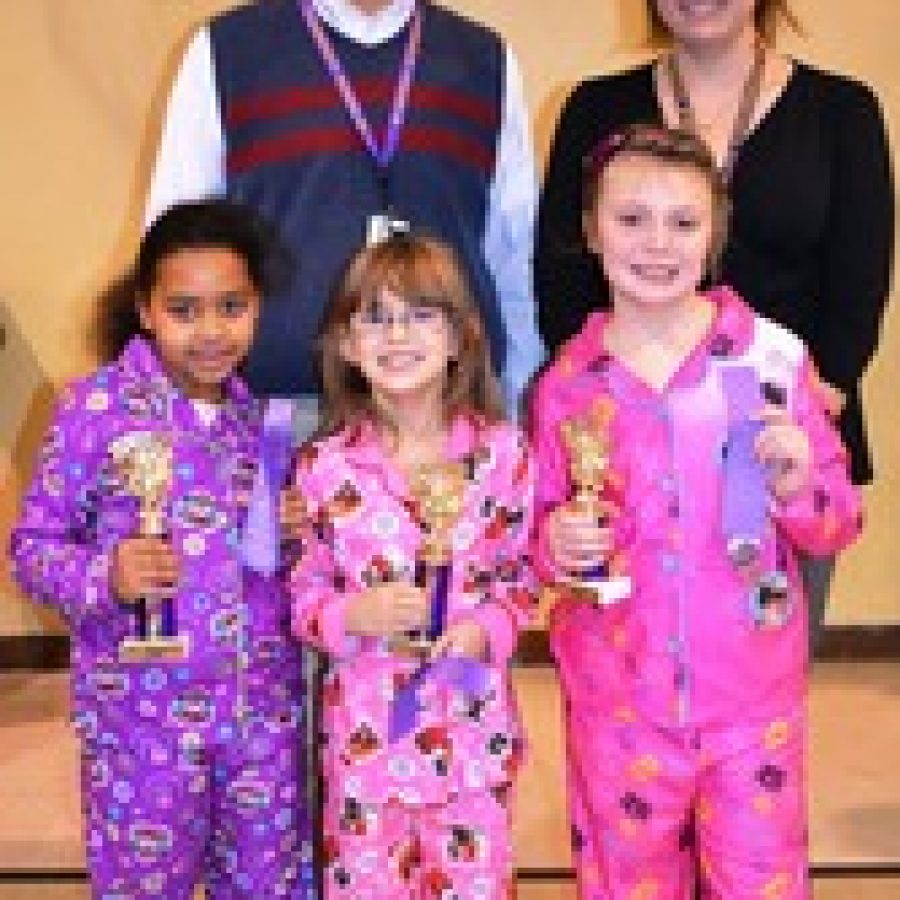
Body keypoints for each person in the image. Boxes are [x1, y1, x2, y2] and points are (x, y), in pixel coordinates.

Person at [530, 125, 862, 898]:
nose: (656, 244)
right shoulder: (568, 385)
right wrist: (556, 541)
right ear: (590, 228)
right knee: (626, 883)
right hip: (617, 708)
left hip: (752, 710)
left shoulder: (773, 359)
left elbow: (835, 521)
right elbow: (540, 539)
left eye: (682, 222)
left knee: (762, 883)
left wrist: (798, 482)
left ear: (715, 232)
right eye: (630, 218)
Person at [534, 0, 893, 648]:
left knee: (759, 670)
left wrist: (808, 412)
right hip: (630, 452)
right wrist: (607, 423)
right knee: (633, 672)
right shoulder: (594, 107)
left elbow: (860, 278)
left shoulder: (842, 112)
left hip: (778, 438)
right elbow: (560, 279)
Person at [9, 200, 314, 898]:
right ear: (145, 310)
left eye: (232, 306)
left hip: (258, 723)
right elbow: (33, 546)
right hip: (141, 730)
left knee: (269, 885)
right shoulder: (95, 410)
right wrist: (103, 575)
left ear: (257, 307)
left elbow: (269, 578)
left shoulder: (259, 427)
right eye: (184, 309)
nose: (210, 331)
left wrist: (295, 538)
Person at [146, 0, 543, 418]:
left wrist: (519, 407)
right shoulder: (226, 49)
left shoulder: (484, 59)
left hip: (448, 415)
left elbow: (517, 261)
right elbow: (174, 251)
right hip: (278, 414)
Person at [288, 234, 537, 896]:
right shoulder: (323, 466)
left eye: (422, 313)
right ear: (345, 344)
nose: (397, 333)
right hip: (365, 745)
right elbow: (302, 587)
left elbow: (524, 574)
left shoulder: (505, 456)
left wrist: (487, 628)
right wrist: (349, 614)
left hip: (471, 740)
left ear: (461, 338)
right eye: (373, 316)